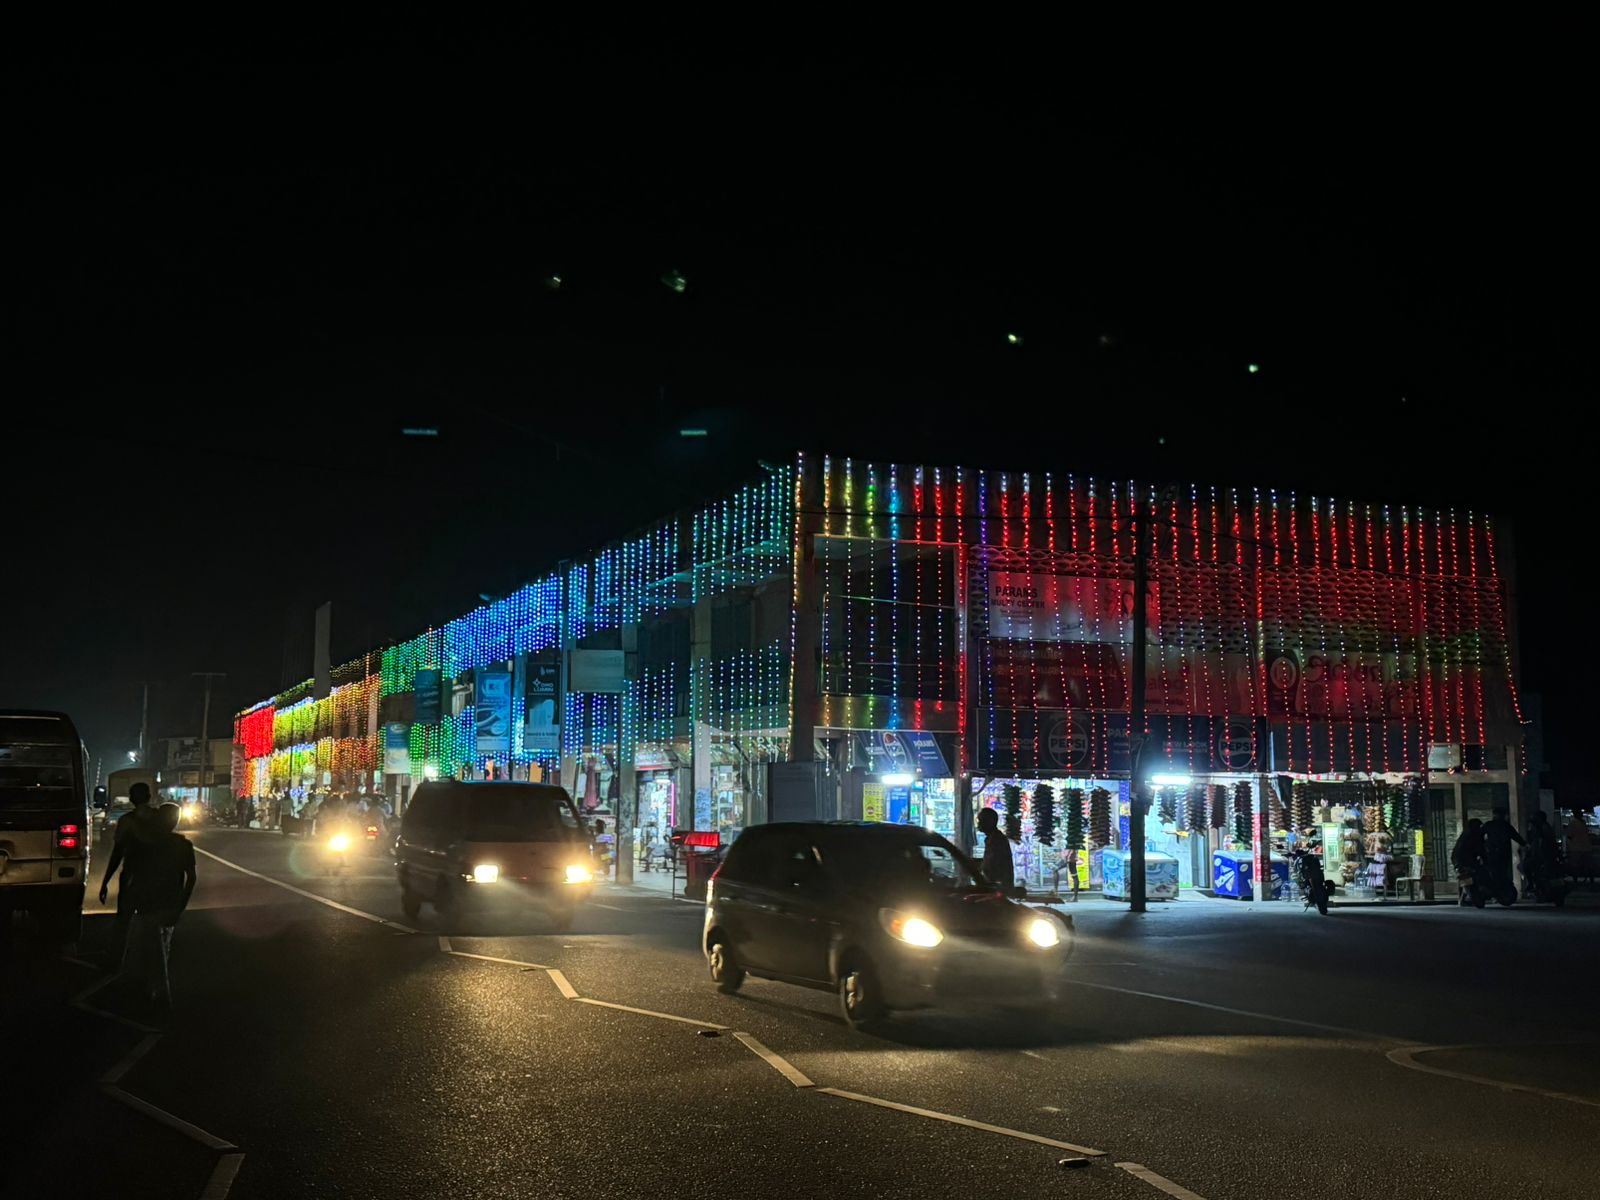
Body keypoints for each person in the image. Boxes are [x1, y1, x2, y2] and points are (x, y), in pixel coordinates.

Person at [124, 804, 197, 1013]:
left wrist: (130, 898)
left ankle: (150, 993)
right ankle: (157, 994)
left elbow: (132, 873)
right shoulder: (182, 845)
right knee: (161, 949)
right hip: (167, 903)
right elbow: (191, 878)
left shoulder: (146, 843)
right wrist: (180, 907)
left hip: (148, 903)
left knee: (147, 949)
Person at [98, 782, 162, 967]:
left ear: (132, 799)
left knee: (123, 921)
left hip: (132, 877)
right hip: (155, 877)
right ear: (149, 797)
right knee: (151, 922)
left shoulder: (126, 821)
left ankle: (116, 961)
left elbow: (117, 853)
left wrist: (105, 881)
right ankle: (150, 963)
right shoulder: (160, 819)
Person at [1482, 807, 1525, 898]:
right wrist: (1525, 844)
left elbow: (1479, 835)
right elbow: (1516, 837)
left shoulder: (1489, 825)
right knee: (1502, 872)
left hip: (1492, 853)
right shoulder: (1506, 825)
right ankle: (1498, 890)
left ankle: (1496, 890)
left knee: (1494, 872)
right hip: (1503, 854)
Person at [977, 806, 1016, 892]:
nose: (978, 824)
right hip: (995, 886)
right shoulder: (991, 838)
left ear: (989, 822)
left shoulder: (997, 839)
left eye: (981, 821)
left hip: (999, 888)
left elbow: (992, 865)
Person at [1451, 818, 1486, 905]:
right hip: (1467, 861)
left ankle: (1463, 898)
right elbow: (1481, 849)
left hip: (1457, 860)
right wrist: (1484, 857)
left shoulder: (1464, 835)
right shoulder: (1475, 836)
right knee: (1477, 874)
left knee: (1464, 878)